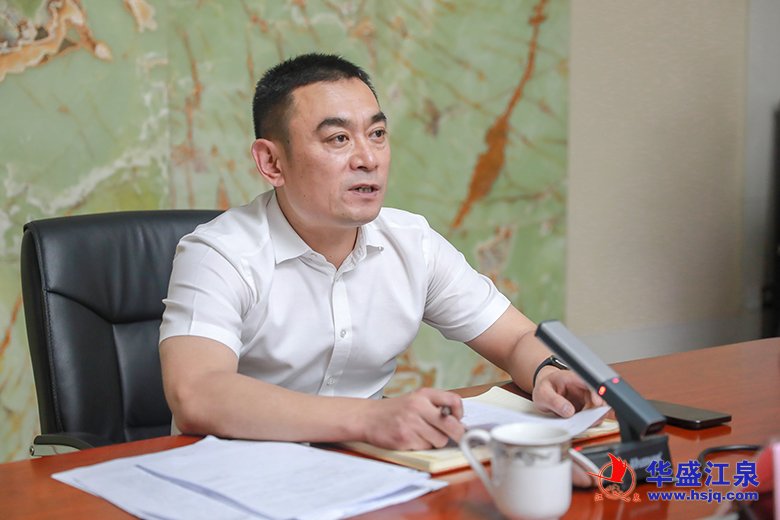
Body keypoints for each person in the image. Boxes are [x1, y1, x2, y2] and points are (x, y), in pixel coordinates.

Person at [159, 53, 602, 484]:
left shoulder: (412, 243)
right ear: (272, 162)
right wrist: (370, 418)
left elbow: (517, 338)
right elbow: (197, 393)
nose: (368, 159)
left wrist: (547, 372)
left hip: (369, 474)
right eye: (338, 139)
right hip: (236, 480)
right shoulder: (220, 253)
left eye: (377, 134)